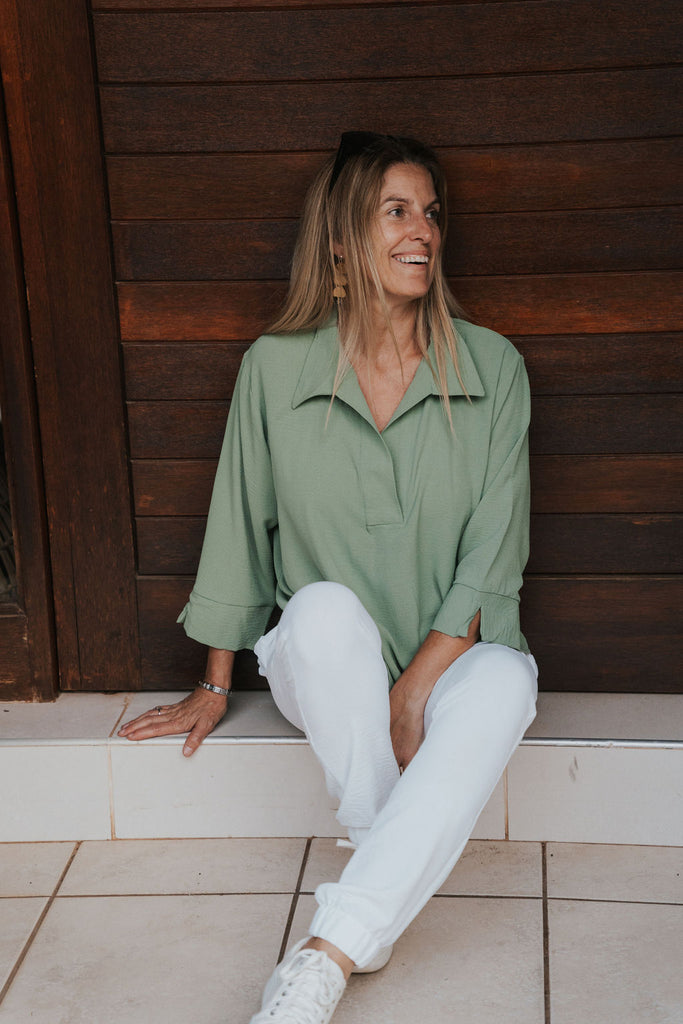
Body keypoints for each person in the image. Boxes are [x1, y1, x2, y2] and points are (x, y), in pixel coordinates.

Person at [119, 131, 539, 1024]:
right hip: (327, 662)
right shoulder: (274, 368)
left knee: (506, 679)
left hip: (449, 658)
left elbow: (493, 550)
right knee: (317, 610)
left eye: (431, 213)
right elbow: (238, 522)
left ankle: (330, 952)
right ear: (342, 241)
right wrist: (212, 682)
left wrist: (414, 691)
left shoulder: (493, 367)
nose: (422, 231)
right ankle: (375, 894)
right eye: (396, 212)